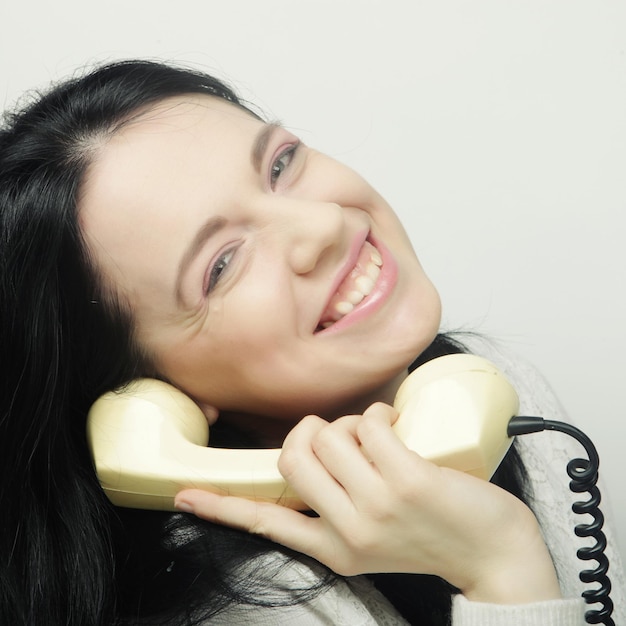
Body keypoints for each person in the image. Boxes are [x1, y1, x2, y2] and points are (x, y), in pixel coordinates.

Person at [0, 59, 623, 626]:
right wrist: (503, 573)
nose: (323, 225)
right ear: (149, 400)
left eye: (280, 164)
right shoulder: (242, 605)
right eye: (221, 265)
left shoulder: (482, 391)